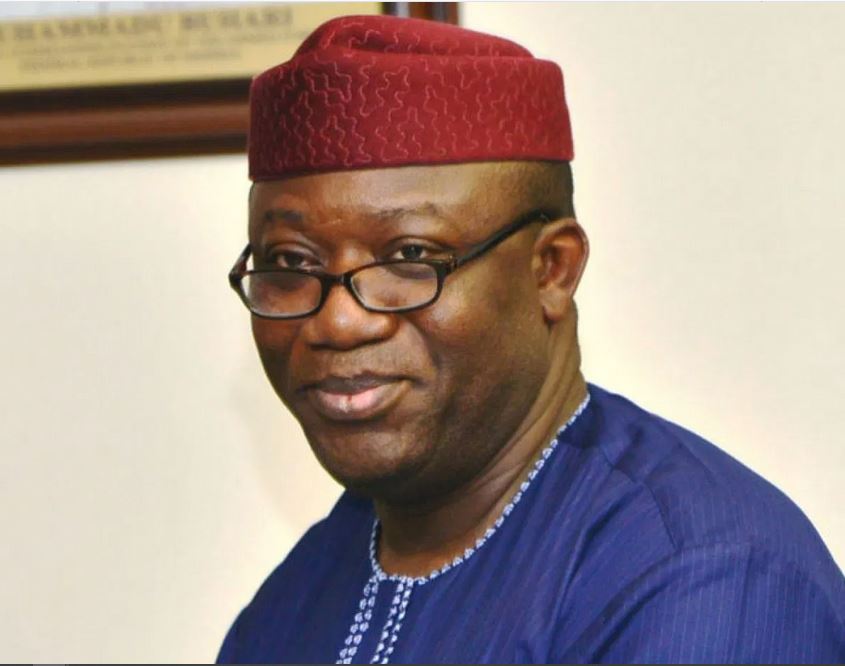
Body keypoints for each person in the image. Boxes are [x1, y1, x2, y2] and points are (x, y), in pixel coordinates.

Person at [217, 14, 845, 664]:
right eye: (290, 261)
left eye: (410, 256)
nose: (338, 322)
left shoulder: (703, 574)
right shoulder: (297, 597)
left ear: (551, 269)